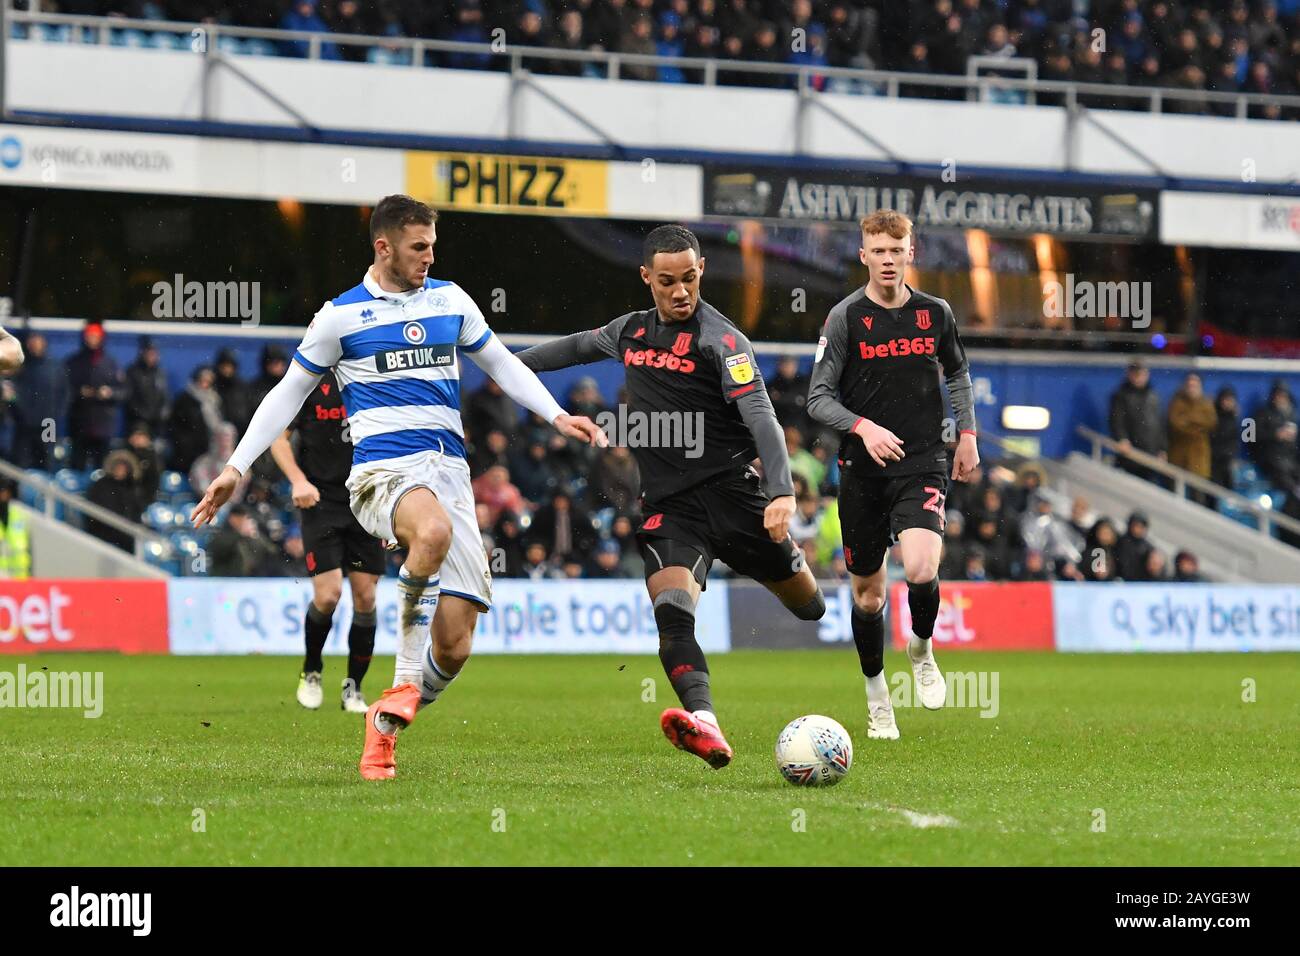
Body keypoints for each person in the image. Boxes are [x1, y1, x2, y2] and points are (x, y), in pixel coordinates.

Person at [192, 194, 602, 781]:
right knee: (428, 533)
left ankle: (383, 724)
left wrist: (556, 415)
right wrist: (236, 465)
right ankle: (404, 682)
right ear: (383, 247)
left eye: (433, 245)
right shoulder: (340, 317)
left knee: (456, 646)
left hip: (450, 475)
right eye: (419, 246)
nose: (430, 256)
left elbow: (504, 364)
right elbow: (287, 394)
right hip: (382, 472)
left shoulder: (451, 300)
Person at [519, 224, 825, 769]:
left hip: (737, 499)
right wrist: (489, 361)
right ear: (646, 279)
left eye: (689, 278)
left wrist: (781, 492)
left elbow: (762, 418)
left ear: (701, 270)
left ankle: (787, 564)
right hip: (670, 508)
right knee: (672, 615)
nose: (680, 291)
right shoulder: (628, 332)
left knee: (810, 607)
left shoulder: (723, 340)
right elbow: (563, 352)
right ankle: (705, 724)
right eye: (667, 281)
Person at [806, 209, 980, 740]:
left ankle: (922, 648)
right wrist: (863, 427)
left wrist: (967, 433)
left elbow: (957, 372)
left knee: (923, 568)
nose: (887, 260)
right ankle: (877, 694)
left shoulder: (935, 314)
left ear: (911, 252)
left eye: (895, 249)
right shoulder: (844, 318)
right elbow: (817, 399)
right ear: (864, 256)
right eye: (877, 251)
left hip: (923, 458)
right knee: (869, 597)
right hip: (863, 470)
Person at [271, 367, 385, 715]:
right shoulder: (305, 384)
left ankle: (353, 688)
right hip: (321, 502)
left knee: (365, 597)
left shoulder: (370, 379)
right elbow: (277, 436)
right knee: (328, 594)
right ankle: (312, 671)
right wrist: (297, 481)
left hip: (366, 500)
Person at [65, 322, 126, 470]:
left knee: (102, 468)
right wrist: (81, 393)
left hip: (103, 425)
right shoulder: (73, 362)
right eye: (90, 336)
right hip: (80, 424)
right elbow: (65, 390)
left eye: (96, 336)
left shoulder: (111, 363)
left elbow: (123, 391)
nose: (92, 339)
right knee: (77, 466)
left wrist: (109, 393)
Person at [9, 332, 66, 470]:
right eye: (32, 343)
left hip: (49, 423)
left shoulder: (55, 367)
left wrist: (56, 414)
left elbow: (65, 394)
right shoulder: (21, 368)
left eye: (38, 343)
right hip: (25, 423)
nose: (35, 346)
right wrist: (20, 412)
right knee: (23, 462)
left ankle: (48, 489)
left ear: (44, 344)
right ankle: (22, 491)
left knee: (48, 459)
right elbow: (14, 394)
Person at [1108, 361, 1166, 482]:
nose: (1139, 378)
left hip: (1151, 455)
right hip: (1130, 455)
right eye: (1136, 374)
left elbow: (1159, 424)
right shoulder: (1121, 395)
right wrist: (1121, 438)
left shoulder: (1153, 396)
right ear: (1129, 374)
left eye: (1142, 374)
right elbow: (1116, 420)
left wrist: (1162, 449)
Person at [1166, 372, 1216, 504]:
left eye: (1195, 384)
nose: (1192, 387)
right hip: (1178, 459)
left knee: (1199, 500)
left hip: (1199, 460)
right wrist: (1198, 425)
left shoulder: (1206, 403)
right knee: (1175, 500)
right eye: (1189, 384)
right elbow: (1176, 424)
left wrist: (1189, 420)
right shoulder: (1176, 402)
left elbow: (1211, 423)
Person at [85, 449, 145, 552]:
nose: (120, 470)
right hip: (103, 534)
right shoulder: (101, 485)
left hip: (127, 538)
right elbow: (93, 511)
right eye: (117, 467)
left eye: (123, 468)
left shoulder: (133, 489)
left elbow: (136, 512)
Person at [169, 366, 223, 474]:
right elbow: (175, 426)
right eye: (202, 381)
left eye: (209, 381)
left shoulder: (215, 400)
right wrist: (186, 445)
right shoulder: (184, 399)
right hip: (188, 454)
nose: (205, 384)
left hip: (211, 451)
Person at [124, 335, 169, 439]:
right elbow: (129, 399)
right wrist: (144, 416)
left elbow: (165, 397)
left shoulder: (160, 373)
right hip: (138, 424)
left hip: (157, 425)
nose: (152, 356)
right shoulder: (133, 372)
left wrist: (162, 414)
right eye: (149, 353)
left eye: (155, 353)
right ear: (142, 353)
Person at [1210, 385, 1240, 490]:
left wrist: (1229, 453)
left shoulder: (1234, 419)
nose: (1228, 403)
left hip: (1226, 461)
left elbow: (1235, 441)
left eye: (1231, 400)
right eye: (1226, 399)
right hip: (1213, 461)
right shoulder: (1213, 417)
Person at [0, 478, 31, 579]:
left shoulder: (18, 516)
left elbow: (25, 549)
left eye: (5, 491)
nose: (4, 495)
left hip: (19, 579)